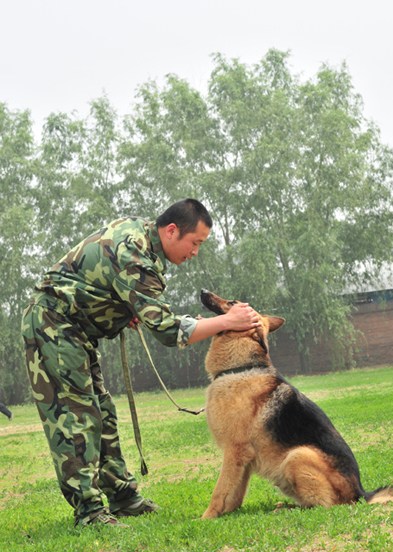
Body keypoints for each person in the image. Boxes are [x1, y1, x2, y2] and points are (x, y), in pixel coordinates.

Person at [22, 199, 259, 527]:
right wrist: (226, 321)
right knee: (77, 416)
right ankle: (89, 513)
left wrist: (125, 307)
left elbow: (113, 286)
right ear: (172, 231)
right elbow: (167, 330)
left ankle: (122, 497)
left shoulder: (144, 242)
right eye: (195, 243)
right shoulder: (135, 251)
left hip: (74, 329)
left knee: (102, 411)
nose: (195, 252)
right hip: (54, 324)